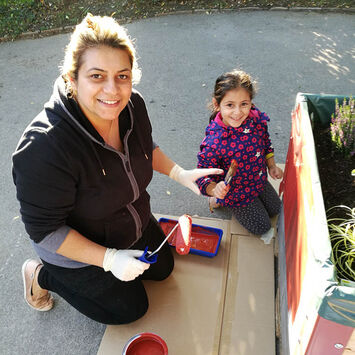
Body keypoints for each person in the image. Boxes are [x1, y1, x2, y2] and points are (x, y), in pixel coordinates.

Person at [12, 14, 222, 324]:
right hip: (76, 250)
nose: (113, 90)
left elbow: (143, 148)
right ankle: (40, 277)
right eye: (97, 76)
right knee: (130, 309)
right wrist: (108, 259)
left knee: (163, 269)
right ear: (72, 79)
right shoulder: (43, 148)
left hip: (125, 222)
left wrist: (179, 173)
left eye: (122, 75)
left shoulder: (132, 105)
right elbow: (45, 231)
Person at [196, 69, 283, 243]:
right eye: (230, 105)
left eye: (244, 104)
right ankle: (217, 200)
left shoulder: (256, 118)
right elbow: (203, 176)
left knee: (277, 209)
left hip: (257, 179)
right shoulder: (214, 142)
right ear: (216, 104)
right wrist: (215, 189)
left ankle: (221, 199)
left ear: (251, 102)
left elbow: (266, 142)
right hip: (237, 193)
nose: (238, 112)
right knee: (262, 227)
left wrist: (271, 165)